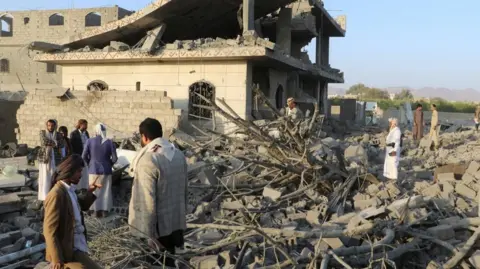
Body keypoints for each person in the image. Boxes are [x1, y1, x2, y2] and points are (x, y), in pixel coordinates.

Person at [128, 118, 188, 267]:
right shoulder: (178, 155)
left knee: (155, 263)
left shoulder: (148, 160)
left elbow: (148, 201)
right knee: (169, 261)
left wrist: (149, 235)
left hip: (157, 230)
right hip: (175, 223)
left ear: (144, 137)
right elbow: (185, 191)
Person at [44, 154, 102, 269]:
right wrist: (56, 259)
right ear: (69, 171)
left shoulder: (69, 190)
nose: (80, 175)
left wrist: (90, 191)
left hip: (77, 245)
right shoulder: (56, 194)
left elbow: (80, 207)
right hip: (68, 250)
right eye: (78, 171)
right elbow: (49, 230)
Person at [82, 123, 117, 218]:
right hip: (106, 170)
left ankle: (94, 211)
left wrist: (90, 163)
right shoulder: (110, 142)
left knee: (94, 191)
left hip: (93, 170)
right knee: (105, 191)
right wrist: (109, 164)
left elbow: (84, 156)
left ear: (96, 131)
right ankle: (104, 211)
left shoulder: (89, 141)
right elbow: (114, 158)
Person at [38, 120, 64, 201]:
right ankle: (44, 196)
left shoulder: (58, 134)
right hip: (45, 159)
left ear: (55, 126)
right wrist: (55, 143)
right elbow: (44, 142)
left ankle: (53, 195)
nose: (50, 127)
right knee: (45, 177)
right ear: (46, 125)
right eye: (49, 125)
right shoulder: (42, 132)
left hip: (55, 159)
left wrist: (54, 143)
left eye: (52, 126)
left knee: (54, 176)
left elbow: (61, 144)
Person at [70, 119, 90, 190]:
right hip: (78, 156)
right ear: (80, 125)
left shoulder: (86, 133)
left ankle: (84, 187)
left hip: (85, 156)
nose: (86, 126)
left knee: (85, 173)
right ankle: (77, 189)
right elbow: (71, 146)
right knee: (78, 173)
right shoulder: (74, 134)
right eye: (85, 125)